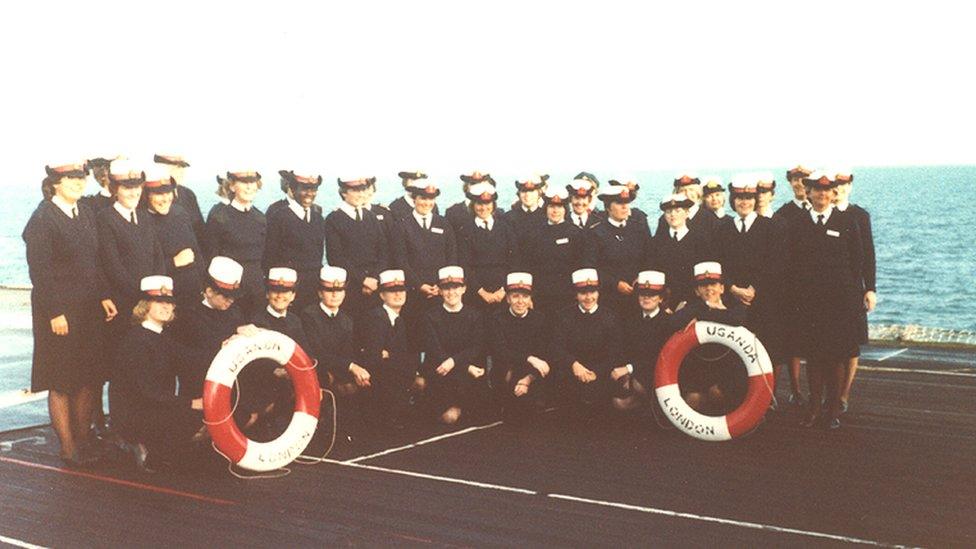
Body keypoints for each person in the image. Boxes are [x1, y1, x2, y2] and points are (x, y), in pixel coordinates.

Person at [24, 161, 118, 466]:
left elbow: (94, 261)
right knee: (62, 380)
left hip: (88, 308)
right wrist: (54, 312)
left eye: (81, 177)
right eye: (71, 178)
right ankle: (68, 447)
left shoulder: (85, 213)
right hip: (60, 312)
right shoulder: (43, 219)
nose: (79, 182)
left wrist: (104, 294)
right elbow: (40, 271)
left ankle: (82, 440)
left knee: (87, 377)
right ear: (56, 183)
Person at [788, 171, 864, 430]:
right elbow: (794, 264)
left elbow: (857, 262)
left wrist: (857, 297)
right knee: (813, 357)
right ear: (808, 192)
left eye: (827, 190)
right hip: (810, 304)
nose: (821, 194)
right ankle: (813, 407)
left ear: (833, 194)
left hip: (839, 303)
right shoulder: (799, 223)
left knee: (835, 358)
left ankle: (832, 410)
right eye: (816, 190)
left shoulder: (846, 222)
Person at [109, 275, 204, 472]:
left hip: (154, 407)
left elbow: (191, 359)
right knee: (194, 418)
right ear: (145, 305)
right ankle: (139, 443)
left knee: (199, 419)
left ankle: (158, 446)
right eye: (159, 301)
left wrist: (225, 345)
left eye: (169, 302)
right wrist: (190, 403)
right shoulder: (136, 341)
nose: (166, 306)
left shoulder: (161, 336)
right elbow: (146, 392)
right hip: (135, 413)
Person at [713, 176, 787, 400]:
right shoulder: (724, 228)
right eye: (739, 198)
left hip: (762, 301)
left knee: (765, 350)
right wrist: (733, 288)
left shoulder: (770, 227)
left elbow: (775, 263)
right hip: (734, 300)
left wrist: (754, 288)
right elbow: (718, 263)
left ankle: (766, 398)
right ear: (733, 201)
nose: (743, 202)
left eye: (748, 198)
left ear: (755, 200)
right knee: (735, 352)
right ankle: (739, 398)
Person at [168, 256, 258, 401]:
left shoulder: (234, 311)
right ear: (209, 291)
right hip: (201, 390)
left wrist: (241, 331)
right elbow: (184, 358)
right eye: (226, 296)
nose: (231, 300)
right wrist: (221, 346)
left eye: (234, 296)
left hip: (234, 386)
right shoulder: (188, 315)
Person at [668, 262, 748, 415]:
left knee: (716, 393)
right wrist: (705, 311)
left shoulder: (735, 307)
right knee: (692, 400)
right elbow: (674, 321)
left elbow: (738, 319)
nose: (709, 289)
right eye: (703, 286)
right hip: (702, 369)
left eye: (713, 284)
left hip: (728, 369)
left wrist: (703, 316)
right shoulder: (694, 307)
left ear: (722, 288)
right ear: (697, 291)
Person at [549, 269, 629, 416]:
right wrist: (574, 364)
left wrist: (596, 372)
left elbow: (616, 352)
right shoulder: (563, 316)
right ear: (576, 294)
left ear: (598, 293)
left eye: (592, 292)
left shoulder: (610, 317)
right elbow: (556, 347)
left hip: (601, 373)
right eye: (583, 293)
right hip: (572, 372)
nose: (588, 297)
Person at [300, 266, 365, 439]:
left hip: (337, 371)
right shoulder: (309, 315)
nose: (335, 295)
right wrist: (349, 367)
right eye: (329, 290)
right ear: (320, 293)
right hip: (317, 370)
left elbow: (348, 352)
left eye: (339, 290)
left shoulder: (346, 320)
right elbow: (316, 352)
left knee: (355, 386)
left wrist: (348, 371)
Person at [245, 268, 311, 437]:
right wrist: (275, 371)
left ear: (293, 296)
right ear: (267, 294)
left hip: (291, 379)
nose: (280, 296)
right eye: (275, 291)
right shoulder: (257, 320)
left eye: (286, 292)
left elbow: (306, 353)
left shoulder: (295, 321)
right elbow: (254, 361)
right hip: (265, 382)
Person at [833, 168, 877, 412]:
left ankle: (844, 394)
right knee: (829, 343)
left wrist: (870, 288)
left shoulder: (859, 216)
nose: (838, 188)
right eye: (834, 184)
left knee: (851, 343)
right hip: (829, 290)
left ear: (850, 185)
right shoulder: (823, 215)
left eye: (843, 183)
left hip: (852, 289)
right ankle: (831, 393)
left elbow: (869, 254)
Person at [421, 266, 487, 425]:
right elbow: (434, 350)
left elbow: (476, 347)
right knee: (448, 419)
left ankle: (462, 409)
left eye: (456, 287)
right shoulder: (430, 316)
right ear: (440, 291)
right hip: (440, 370)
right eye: (446, 288)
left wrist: (455, 362)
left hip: (462, 370)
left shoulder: (475, 315)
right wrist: (464, 367)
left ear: (464, 289)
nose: (451, 293)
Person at [357, 270, 423, 429]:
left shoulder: (405, 318)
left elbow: (412, 354)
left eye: (401, 290)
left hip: (397, 375)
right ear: (381, 295)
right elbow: (374, 358)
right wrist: (398, 356)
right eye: (392, 291)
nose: (398, 295)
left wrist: (390, 354)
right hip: (380, 380)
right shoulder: (375, 317)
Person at [774, 164, 814, 406]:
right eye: (795, 180)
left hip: (814, 285)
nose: (799, 184)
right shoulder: (783, 214)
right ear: (790, 183)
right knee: (788, 341)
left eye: (804, 180)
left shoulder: (821, 211)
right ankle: (795, 390)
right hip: (790, 286)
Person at [488, 273, 552, 419]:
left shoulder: (540, 318)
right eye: (516, 296)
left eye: (525, 296)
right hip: (508, 368)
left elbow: (543, 354)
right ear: (508, 298)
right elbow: (501, 352)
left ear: (530, 299)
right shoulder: (497, 319)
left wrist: (527, 379)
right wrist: (529, 358)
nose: (520, 301)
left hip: (531, 373)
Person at [324, 176, 390, 317]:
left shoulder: (371, 217)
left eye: (363, 190)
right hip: (351, 288)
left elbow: (383, 252)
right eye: (355, 191)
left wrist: (374, 278)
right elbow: (336, 258)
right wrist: (362, 280)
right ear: (343, 192)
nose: (360, 194)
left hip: (374, 286)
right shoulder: (334, 219)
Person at [204, 170, 267, 316]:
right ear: (232, 187)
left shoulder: (260, 218)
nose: (249, 187)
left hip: (256, 289)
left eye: (252, 183)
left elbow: (264, 256)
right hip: (229, 290)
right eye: (244, 183)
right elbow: (211, 254)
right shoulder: (219, 216)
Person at [399, 179, 458, 332]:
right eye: (422, 198)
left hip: (440, 291)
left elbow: (451, 257)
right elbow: (401, 260)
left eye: (431, 199)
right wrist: (419, 285)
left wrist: (441, 285)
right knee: (414, 340)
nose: (427, 203)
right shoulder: (402, 225)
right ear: (414, 199)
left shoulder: (443, 223)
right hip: (414, 292)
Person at [142, 167, 205, 309]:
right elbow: (143, 267)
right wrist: (174, 262)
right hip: (164, 298)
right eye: (159, 194)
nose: (165, 199)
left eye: (168, 192)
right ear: (146, 195)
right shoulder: (141, 221)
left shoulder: (180, 213)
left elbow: (196, 251)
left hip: (193, 292)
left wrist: (204, 284)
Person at [264, 170, 325, 312]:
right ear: (292, 189)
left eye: (313, 189)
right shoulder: (279, 217)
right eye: (304, 189)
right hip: (289, 288)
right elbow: (269, 258)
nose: (310, 193)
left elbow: (318, 255)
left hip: (313, 287)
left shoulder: (318, 218)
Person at [524, 186, 591, 313]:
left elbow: (581, 266)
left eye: (559, 207)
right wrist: (529, 296)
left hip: (568, 296)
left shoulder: (576, 234)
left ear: (565, 209)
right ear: (546, 208)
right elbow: (528, 266)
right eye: (551, 207)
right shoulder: (534, 234)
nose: (555, 211)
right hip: (540, 296)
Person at [457, 182, 518, 314]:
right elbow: (464, 265)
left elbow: (513, 261)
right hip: (476, 295)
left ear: (493, 205)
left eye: (487, 204)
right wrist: (482, 292)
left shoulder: (505, 228)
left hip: (502, 293)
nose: (483, 208)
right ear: (473, 206)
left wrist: (504, 290)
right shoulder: (465, 231)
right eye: (479, 204)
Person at [590, 185, 650, 317]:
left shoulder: (638, 230)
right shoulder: (596, 233)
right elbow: (591, 268)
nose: (625, 207)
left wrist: (640, 277)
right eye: (619, 203)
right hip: (609, 299)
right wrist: (615, 284)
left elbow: (649, 259)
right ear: (608, 207)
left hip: (638, 298)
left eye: (626, 203)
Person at [650, 193, 710, 311]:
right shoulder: (656, 242)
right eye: (668, 211)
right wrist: (663, 305)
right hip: (662, 304)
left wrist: (687, 302)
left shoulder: (700, 241)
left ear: (687, 213)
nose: (672, 215)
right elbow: (654, 272)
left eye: (678, 211)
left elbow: (703, 278)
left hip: (692, 303)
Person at [621, 271, 672, 409]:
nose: (646, 298)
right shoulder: (630, 321)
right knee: (617, 403)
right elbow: (624, 350)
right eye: (643, 294)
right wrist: (626, 376)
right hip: (633, 373)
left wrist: (629, 369)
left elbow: (661, 357)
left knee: (637, 387)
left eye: (652, 295)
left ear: (661, 298)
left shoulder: (668, 323)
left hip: (658, 374)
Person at [154, 153, 206, 249]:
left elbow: (201, 233)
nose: (182, 172)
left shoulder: (188, 195)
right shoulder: (149, 199)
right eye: (177, 168)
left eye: (182, 168)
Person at [656, 173, 719, 237]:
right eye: (683, 190)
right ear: (676, 194)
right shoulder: (665, 220)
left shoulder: (711, 220)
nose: (687, 194)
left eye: (691, 190)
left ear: (698, 192)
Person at [506, 175, 548, 266]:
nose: (527, 195)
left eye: (532, 191)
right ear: (519, 194)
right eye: (524, 191)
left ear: (539, 193)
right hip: (516, 271)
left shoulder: (547, 217)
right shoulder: (508, 218)